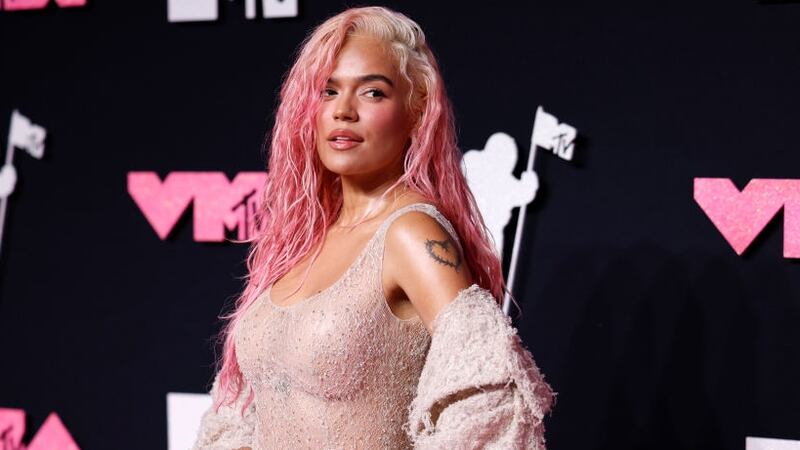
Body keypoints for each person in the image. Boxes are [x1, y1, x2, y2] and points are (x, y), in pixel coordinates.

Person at [192, 6, 555, 450]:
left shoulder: (413, 234)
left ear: (417, 110)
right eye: (327, 91)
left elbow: (488, 408)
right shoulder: (302, 242)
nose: (343, 111)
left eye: (372, 93)